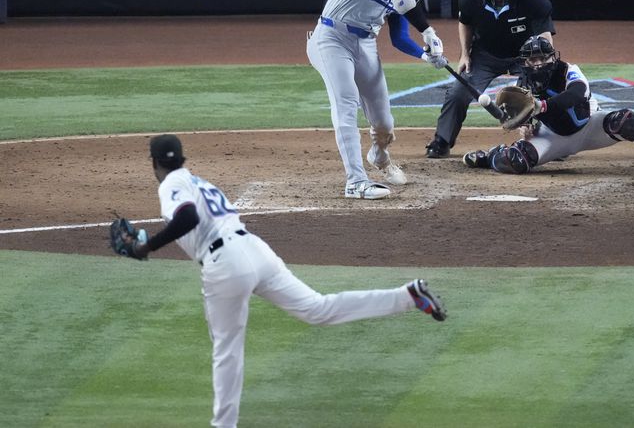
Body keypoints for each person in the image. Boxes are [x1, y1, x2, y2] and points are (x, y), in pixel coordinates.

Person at [122, 134, 447, 428]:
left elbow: (188, 217)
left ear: (155, 164)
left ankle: (223, 425)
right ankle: (407, 296)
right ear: (181, 159)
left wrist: (146, 246)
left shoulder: (170, 186)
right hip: (254, 250)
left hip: (225, 264)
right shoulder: (197, 181)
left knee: (227, 349)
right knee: (317, 308)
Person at [307, 0, 448, 200]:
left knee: (383, 122)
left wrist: (424, 55)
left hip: (365, 45)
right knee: (346, 104)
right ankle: (355, 181)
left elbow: (399, 37)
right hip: (332, 37)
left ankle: (380, 156)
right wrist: (429, 32)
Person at [462, 36, 634, 177]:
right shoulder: (522, 82)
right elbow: (522, 113)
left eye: (543, 58)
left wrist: (541, 107)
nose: (538, 64)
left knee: (629, 121)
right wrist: (525, 126)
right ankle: (491, 156)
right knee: (514, 161)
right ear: (525, 62)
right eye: (532, 59)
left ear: (553, 58)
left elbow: (576, 95)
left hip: (590, 126)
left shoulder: (569, 70)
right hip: (554, 138)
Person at [425, 0, 555, 158]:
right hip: (485, 54)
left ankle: (548, 142)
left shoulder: (533, 0)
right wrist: (465, 54)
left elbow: (545, 36)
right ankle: (442, 140)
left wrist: (542, 67)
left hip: (524, 57)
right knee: (458, 92)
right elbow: (465, 23)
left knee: (539, 93)